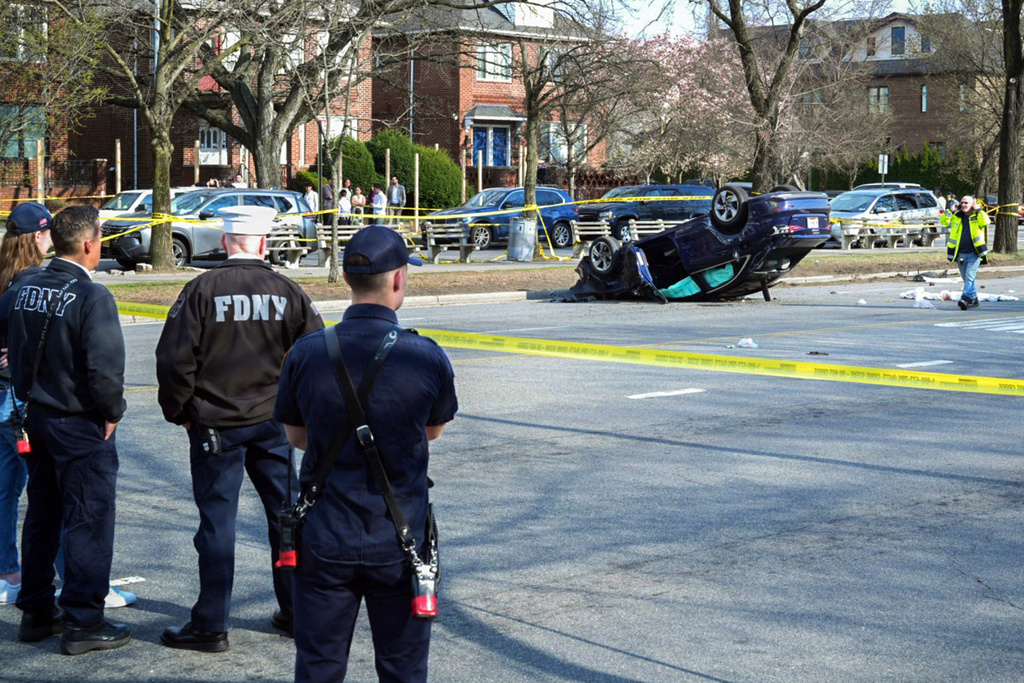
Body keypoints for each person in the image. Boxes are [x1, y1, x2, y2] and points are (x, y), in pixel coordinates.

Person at [275, 225, 457, 682]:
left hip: (324, 536)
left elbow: (296, 437)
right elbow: (432, 430)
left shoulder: (306, 352)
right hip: (400, 541)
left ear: (346, 276)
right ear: (398, 280)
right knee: (403, 669)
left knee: (318, 667)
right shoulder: (425, 356)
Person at [155, 205, 324, 652]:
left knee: (217, 524)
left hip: (215, 425)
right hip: (273, 423)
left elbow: (174, 360)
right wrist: (298, 415)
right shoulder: (289, 291)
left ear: (226, 242)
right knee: (286, 519)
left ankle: (211, 625)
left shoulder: (201, 289)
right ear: (264, 243)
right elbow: (314, 358)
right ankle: (296, 613)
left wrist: (182, 412)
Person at [4, 205, 130, 655]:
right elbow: (105, 371)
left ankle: (37, 612)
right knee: (88, 520)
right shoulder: (93, 297)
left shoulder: (24, 286)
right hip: (78, 422)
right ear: (89, 244)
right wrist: (112, 411)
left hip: (35, 416)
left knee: (42, 515)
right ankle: (83, 620)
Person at [0, 203, 53, 607]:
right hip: (19, 402)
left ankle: (7, 571)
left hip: (3, 398)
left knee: (5, 491)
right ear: (37, 236)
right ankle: (76, 582)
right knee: (50, 492)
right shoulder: (34, 285)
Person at [940, 195, 990, 309]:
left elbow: (986, 222)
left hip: (975, 253)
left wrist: (978, 209)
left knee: (969, 277)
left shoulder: (977, 216)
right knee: (966, 278)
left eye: (966, 203)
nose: (963, 205)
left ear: (972, 204)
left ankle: (965, 298)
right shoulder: (957, 216)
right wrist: (950, 210)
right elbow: (944, 222)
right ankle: (974, 299)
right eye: (962, 203)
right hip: (961, 253)